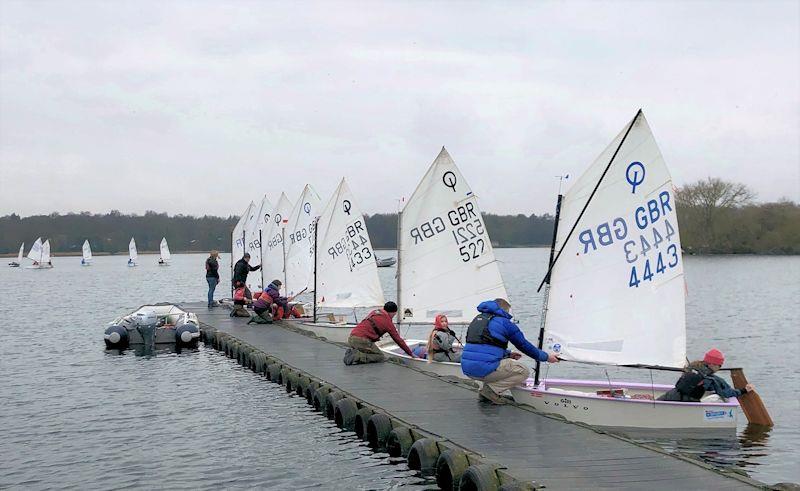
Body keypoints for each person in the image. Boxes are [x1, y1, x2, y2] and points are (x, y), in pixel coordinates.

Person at [461, 298, 559, 404]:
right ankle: (491, 391)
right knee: (523, 371)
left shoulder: (477, 319)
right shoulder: (505, 323)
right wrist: (547, 357)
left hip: (467, 369)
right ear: (505, 310)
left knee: (491, 363)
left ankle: (488, 391)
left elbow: (483, 345)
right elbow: (524, 346)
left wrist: (508, 354)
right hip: (483, 370)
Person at [658, 349, 755, 402]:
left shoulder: (691, 367)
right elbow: (725, 393)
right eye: (719, 365)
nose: (719, 368)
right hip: (684, 402)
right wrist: (744, 390)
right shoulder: (710, 379)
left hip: (670, 395)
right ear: (712, 364)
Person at [343, 301, 416, 365]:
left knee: (371, 351)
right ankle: (357, 356)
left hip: (352, 337)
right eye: (394, 314)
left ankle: (354, 352)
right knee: (380, 357)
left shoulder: (375, 312)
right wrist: (411, 353)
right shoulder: (388, 322)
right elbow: (399, 340)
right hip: (361, 340)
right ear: (394, 312)